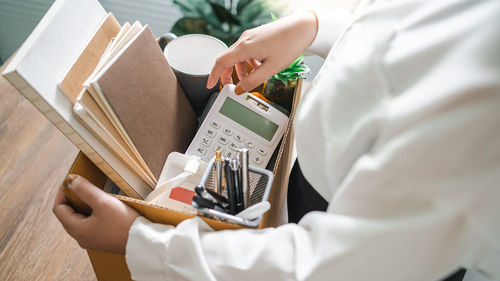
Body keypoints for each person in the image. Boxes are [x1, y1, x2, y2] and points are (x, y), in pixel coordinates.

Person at [53, 0, 500, 280]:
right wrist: (316, 28)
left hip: (351, 231)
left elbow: (326, 268)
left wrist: (141, 242)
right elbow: (406, 31)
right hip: (312, 186)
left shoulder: (481, 123)